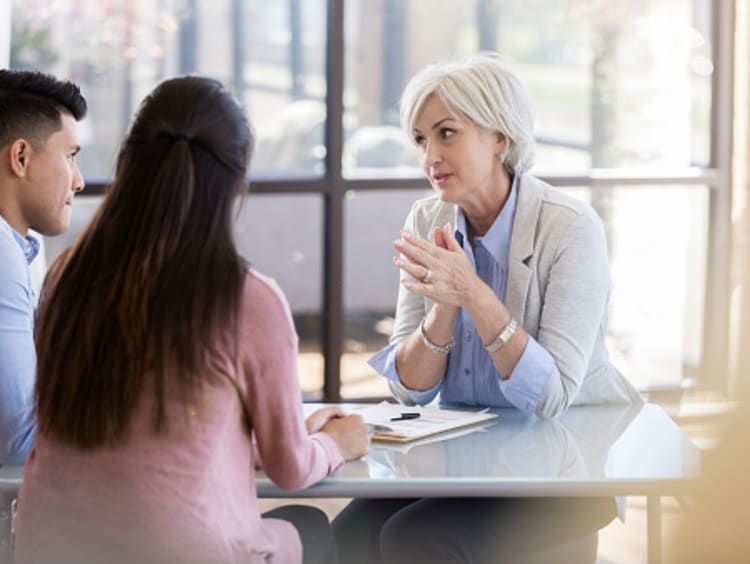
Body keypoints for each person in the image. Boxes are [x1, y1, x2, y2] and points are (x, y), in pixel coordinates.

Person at [13, 76, 370, 564]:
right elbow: (292, 468)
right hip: (183, 554)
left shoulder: (66, 276)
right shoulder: (248, 298)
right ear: (234, 180)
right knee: (310, 526)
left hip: (49, 545)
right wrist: (333, 443)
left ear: (129, 163)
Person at [333, 53, 642, 563]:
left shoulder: (570, 228)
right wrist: (444, 310)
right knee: (352, 530)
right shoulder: (427, 217)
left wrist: (473, 292)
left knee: (414, 537)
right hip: (465, 458)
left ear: (501, 137)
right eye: (420, 139)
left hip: (568, 468)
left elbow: (552, 396)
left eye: (446, 133)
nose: (430, 154)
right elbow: (408, 386)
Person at [0, 69, 87, 466]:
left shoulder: (25, 247)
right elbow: (19, 443)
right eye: (70, 156)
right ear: (20, 157)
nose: (79, 181)